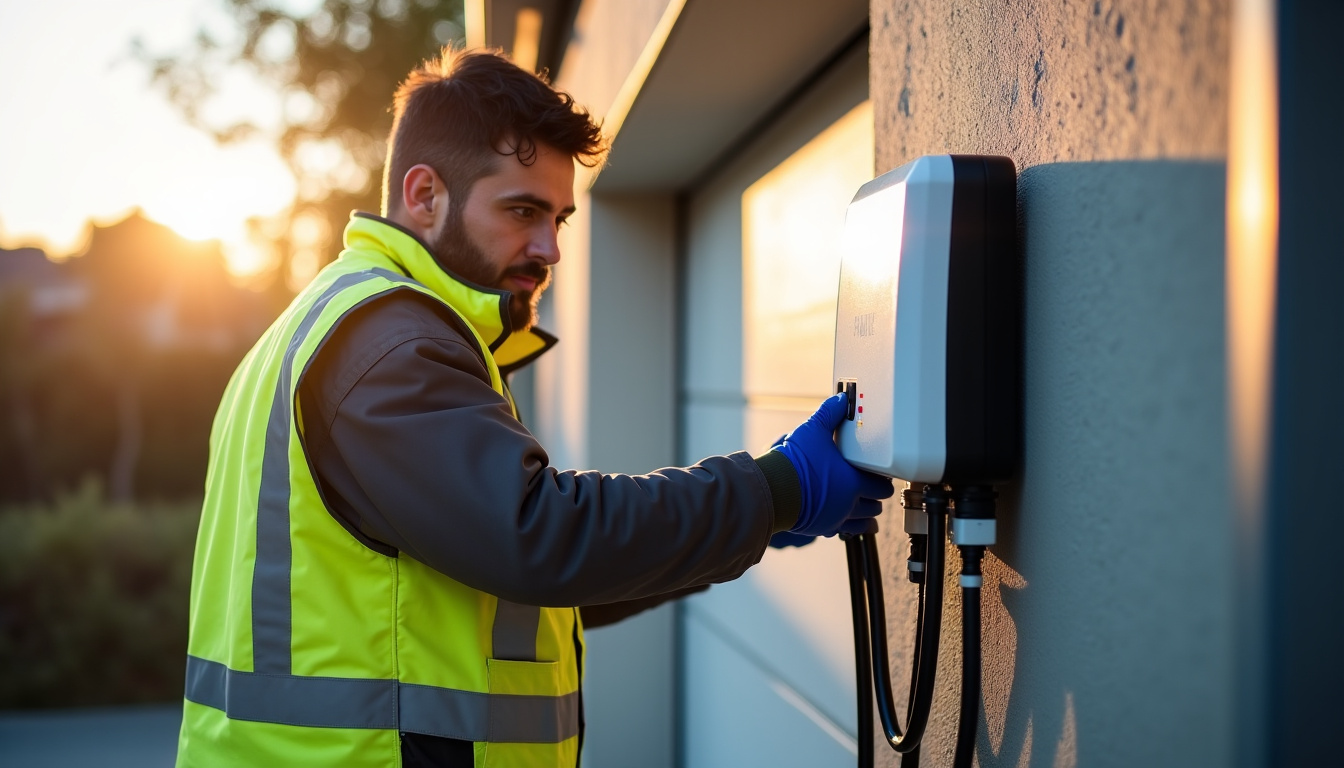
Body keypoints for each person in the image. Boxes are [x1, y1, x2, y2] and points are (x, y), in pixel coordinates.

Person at [175, 47, 893, 768]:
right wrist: (776, 488)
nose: (549, 247)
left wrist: (753, 521)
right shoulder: (392, 345)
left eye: (560, 219)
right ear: (424, 195)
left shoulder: (345, 324)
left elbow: (524, 582)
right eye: (522, 210)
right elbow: (540, 537)